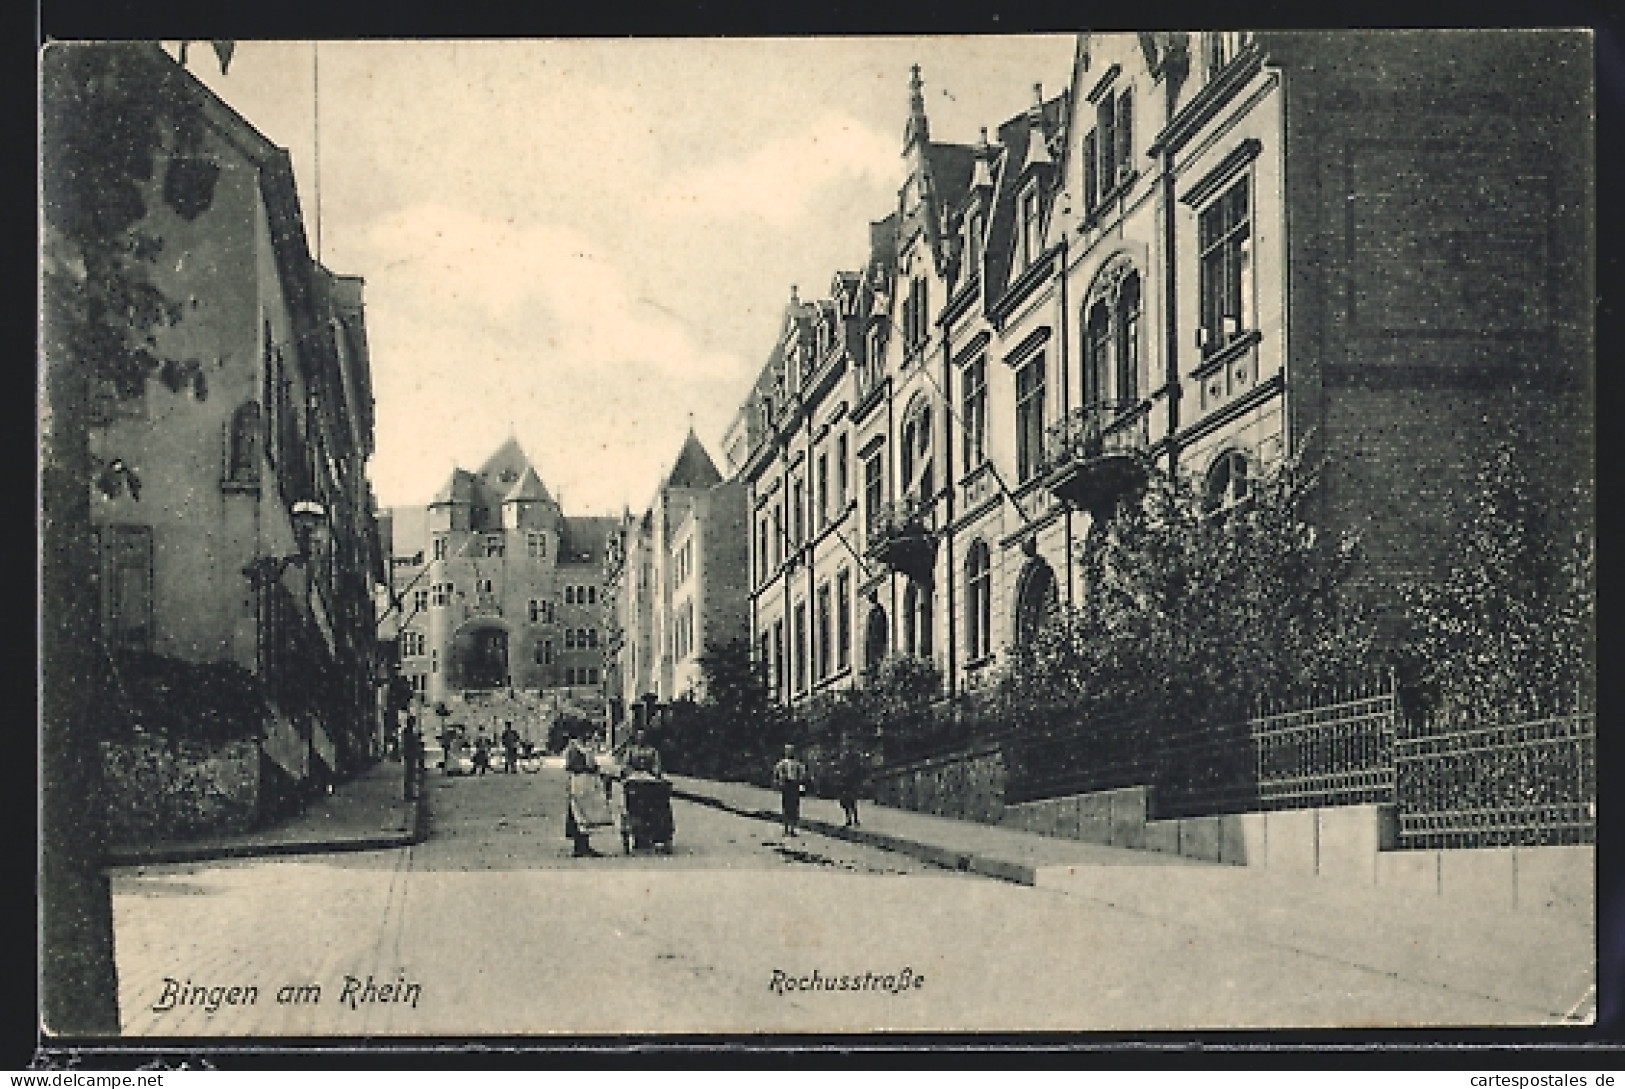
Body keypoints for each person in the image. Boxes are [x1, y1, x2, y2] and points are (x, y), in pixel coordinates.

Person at [563, 733, 599, 856]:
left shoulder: (587, 748)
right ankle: (579, 846)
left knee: (587, 814)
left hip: (586, 782)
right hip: (578, 782)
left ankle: (585, 845)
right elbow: (570, 766)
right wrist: (585, 768)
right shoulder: (574, 749)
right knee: (578, 813)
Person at [772, 744, 808, 837]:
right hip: (786, 785)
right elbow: (776, 772)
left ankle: (792, 828)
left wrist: (801, 783)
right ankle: (786, 828)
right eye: (787, 751)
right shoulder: (782, 763)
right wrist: (779, 781)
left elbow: (802, 775)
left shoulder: (798, 764)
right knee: (786, 806)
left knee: (794, 807)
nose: (789, 753)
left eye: (790, 751)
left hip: (794, 785)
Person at [836, 742, 865, 828]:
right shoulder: (847, 758)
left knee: (851, 801)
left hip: (851, 782)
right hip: (847, 782)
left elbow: (856, 770)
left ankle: (853, 819)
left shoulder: (854, 759)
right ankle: (851, 819)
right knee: (847, 801)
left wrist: (845, 776)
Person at [401, 716, 423, 802]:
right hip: (410, 755)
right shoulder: (408, 732)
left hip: (410, 755)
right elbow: (411, 743)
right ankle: (408, 794)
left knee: (410, 775)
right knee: (410, 775)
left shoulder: (407, 732)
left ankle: (409, 793)